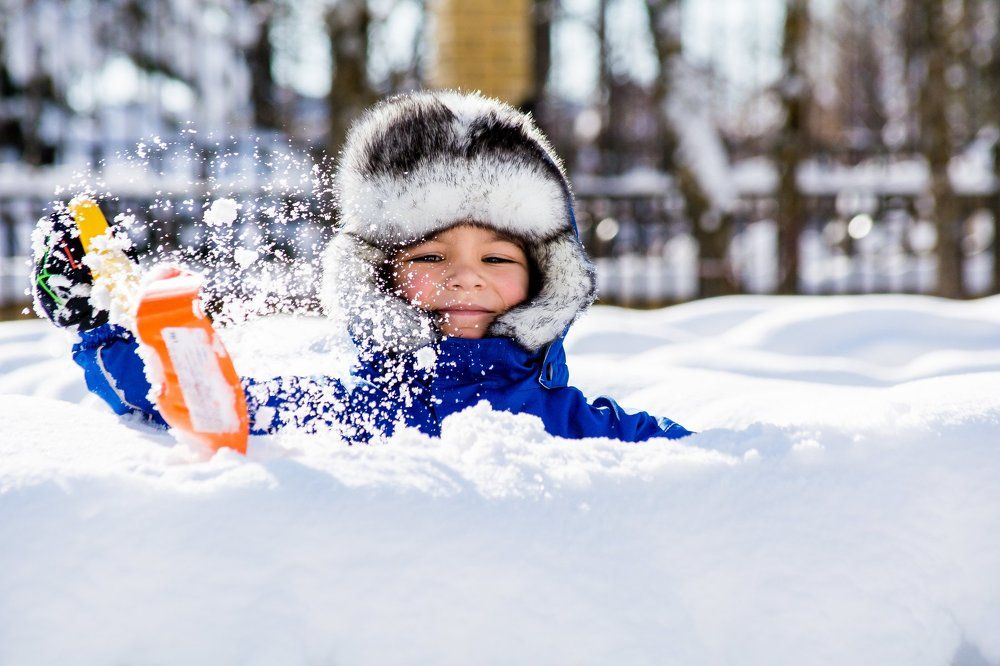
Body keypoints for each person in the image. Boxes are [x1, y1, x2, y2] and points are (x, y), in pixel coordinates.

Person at [32, 90, 691, 443]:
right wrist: (98, 326)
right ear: (380, 274)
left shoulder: (579, 426)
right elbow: (191, 406)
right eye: (430, 255)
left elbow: (715, 472)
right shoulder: (350, 409)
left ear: (548, 274)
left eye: (496, 256)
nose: (464, 277)